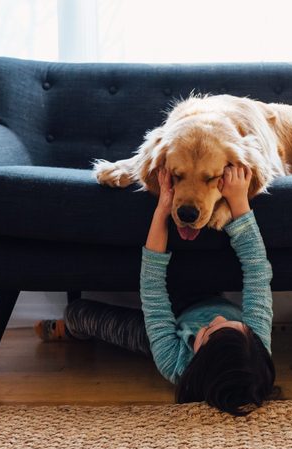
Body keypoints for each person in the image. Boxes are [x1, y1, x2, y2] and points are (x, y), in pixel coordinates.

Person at [34, 165, 279, 416]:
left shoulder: (171, 361)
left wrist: (161, 211)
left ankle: (73, 330)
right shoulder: (255, 340)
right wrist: (239, 201)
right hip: (206, 295)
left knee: (78, 312)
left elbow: (152, 290)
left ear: (195, 359)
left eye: (207, 331)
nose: (217, 318)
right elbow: (257, 268)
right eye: (232, 323)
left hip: (166, 328)